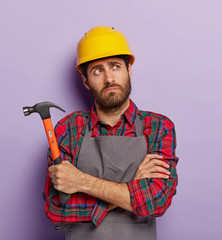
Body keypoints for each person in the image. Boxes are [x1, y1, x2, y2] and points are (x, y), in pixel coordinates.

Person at [43, 26, 179, 240]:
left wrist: (81, 182)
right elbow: (56, 209)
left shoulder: (158, 127)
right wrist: (133, 188)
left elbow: (155, 202)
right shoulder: (69, 129)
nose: (109, 78)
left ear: (129, 70)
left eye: (115, 66)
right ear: (86, 81)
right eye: (97, 70)